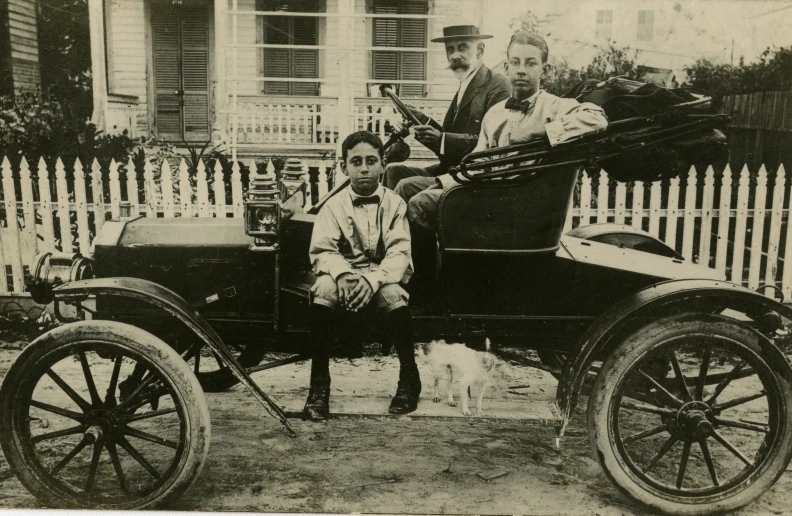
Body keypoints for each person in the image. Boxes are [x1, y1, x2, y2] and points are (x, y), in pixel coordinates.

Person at [407, 32, 609, 230]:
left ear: (545, 70)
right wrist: (444, 183)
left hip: (520, 202)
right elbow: (477, 163)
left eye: (530, 63)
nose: (521, 70)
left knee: (420, 203)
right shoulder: (495, 114)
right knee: (411, 190)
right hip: (487, 192)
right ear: (506, 67)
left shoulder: (554, 106)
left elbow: (597, 118)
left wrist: (539, 131)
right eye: (515, 63)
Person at [303, 131, 420, 421]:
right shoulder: (333, 205)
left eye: (371, 161)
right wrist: (343, 274)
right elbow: (322, 250)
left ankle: (409, 379)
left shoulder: (395, 204)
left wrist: (373, 280)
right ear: (344, 167)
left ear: (383, 165)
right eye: (356, 162)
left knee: (393, 296)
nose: (364, 168)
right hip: (345, 273)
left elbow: (398, 253)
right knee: (324, 289)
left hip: (382, 276)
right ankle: (319, 386)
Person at [382, 25, 510, 194]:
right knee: (393, 171)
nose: (455, 55)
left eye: (462, 47)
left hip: (473, 177)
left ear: (479, 50)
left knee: (406, 186)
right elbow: (447, 144)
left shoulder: (498, 85)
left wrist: (441, 139)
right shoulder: (465, 84)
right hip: (452, 169)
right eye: (450, 50)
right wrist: (422, 120)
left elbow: (492, 143)